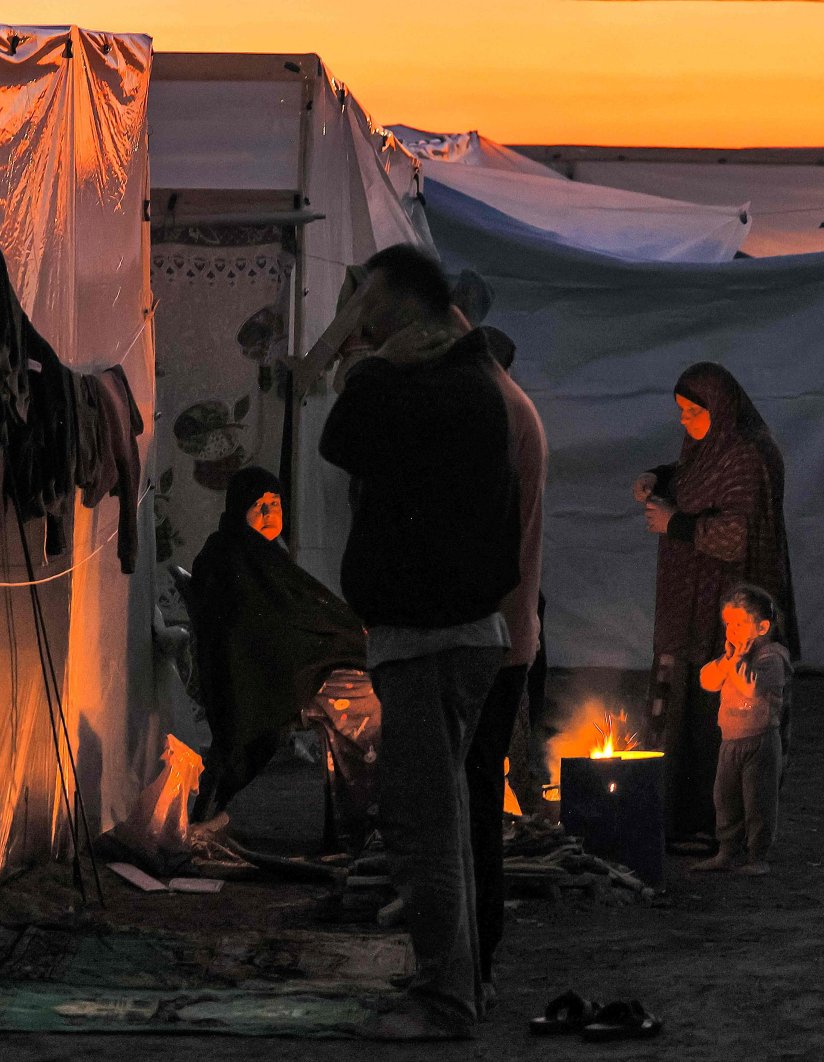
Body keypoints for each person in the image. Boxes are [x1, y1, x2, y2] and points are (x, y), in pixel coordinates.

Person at [319, 244, 520, 1041]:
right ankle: (454, 982)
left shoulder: (447, 389)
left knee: (427, 828)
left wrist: (366, 362)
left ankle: (445, 1000)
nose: (358, 329)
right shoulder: (466, 385)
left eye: (369, 311)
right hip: (445, 636)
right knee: (439, 824)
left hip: (434, 641)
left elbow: (345, 432)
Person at [633, 363, 797, 854]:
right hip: (690, 604)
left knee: (716, 715)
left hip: (722, 608)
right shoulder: (710, 451)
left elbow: (735, 534)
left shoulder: (746, 456)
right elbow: (691, 481)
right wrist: (659, 477)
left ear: (719, 409)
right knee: (684, 707)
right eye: (681, 412)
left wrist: (675, 524)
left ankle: (715, 825)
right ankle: (682, 818)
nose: (684, 422)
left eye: (692, 412)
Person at [184, 467, 369, 824]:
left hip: (275, 666)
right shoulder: (230, 557)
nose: (270, 514)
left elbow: (294, 610)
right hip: (261, 677)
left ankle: (358, 816)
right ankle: (362, 818)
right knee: (368, 697)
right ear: (239, 507)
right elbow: (260, 627)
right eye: (259, 505)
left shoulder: (260, 553)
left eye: (276, 504)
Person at [463, 325, 547, 1000]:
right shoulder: (509, 407)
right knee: (475, 792)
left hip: (485, 637)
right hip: (501, 633)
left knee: (471, 796)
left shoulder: (497, 414)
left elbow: (488, 542)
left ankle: (473, 957)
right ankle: (473, 952)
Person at [692, 584, 793, 877]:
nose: (732, 630)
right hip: (730, 741)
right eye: (729, 624)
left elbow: (752, 687)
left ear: (762, 627)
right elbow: (707, 680)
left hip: (760, 741)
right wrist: (726, 661)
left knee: (758, 800)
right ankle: (727, 851)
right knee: (725, 798)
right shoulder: (732, 657)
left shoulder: (772, 657)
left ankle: (757, 855)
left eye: (740, 623)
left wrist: (736, 661)